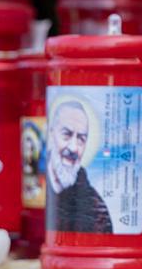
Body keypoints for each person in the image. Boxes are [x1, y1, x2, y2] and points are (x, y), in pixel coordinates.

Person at [45, 99, 112, 234]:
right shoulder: (36, 184)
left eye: (81, 139)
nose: (73, 148)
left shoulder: (95, 209)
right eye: (66, 134)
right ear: (51, 134)